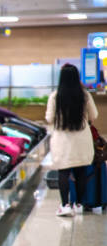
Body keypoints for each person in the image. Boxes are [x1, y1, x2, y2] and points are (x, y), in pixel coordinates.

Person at [46, 64, 98, 216]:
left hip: (62, 140)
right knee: (81, 171)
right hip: (82, 139)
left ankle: (65, 205)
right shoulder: (85, 95)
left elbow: (49, 118)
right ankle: (79, 205)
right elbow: (94, 115)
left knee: (63, 172)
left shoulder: (55, 96)